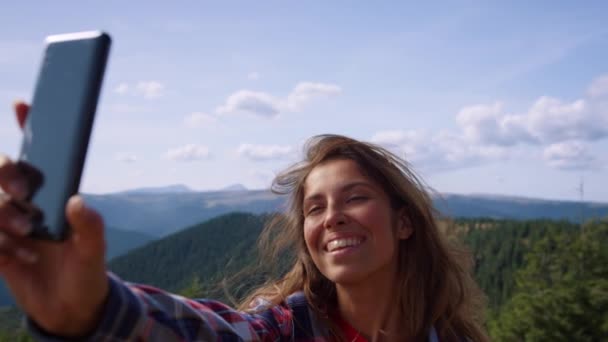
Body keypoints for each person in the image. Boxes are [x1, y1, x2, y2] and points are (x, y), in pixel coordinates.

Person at [0, 101, 489, 341]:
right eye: (315, 208)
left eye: (355, 198)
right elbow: (209, 332)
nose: (333, 217)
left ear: (405, 223)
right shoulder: (284, 328)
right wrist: (98, 309)